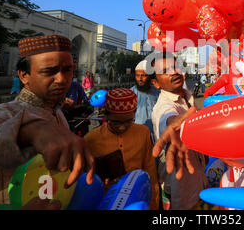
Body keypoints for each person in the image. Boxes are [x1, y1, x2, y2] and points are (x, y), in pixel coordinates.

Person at [0, 35, 94, 210]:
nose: (61, 79)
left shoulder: (58, 115)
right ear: (24, 76)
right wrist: (25, 130)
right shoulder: (1, 114)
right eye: (49, 71)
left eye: (68, 70)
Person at [149, 52, 208, 210]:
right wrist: (174, 124)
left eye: (175, 66)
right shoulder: (162, 108)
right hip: (181, 196)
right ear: (156, 83)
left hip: (198, 183)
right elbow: (168, 119)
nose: (174, 72)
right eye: (165, 70)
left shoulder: (186, 95)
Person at [84, 88, 159, 210]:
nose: (122, 127)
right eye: (116, 122)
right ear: (106, 115)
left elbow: (150, 171)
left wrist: (154, 204)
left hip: (138, 199)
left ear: (135, 113)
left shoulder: (143, 133)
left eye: (129, 121)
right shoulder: (90, 140)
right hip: (105, 201)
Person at [130, 59, 159, 139]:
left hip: (155, 134)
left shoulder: (157, 92)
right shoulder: (130, 94)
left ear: (149, 76)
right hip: (136, 135)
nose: (140, 79)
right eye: (137, 75)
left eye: (144, 75)